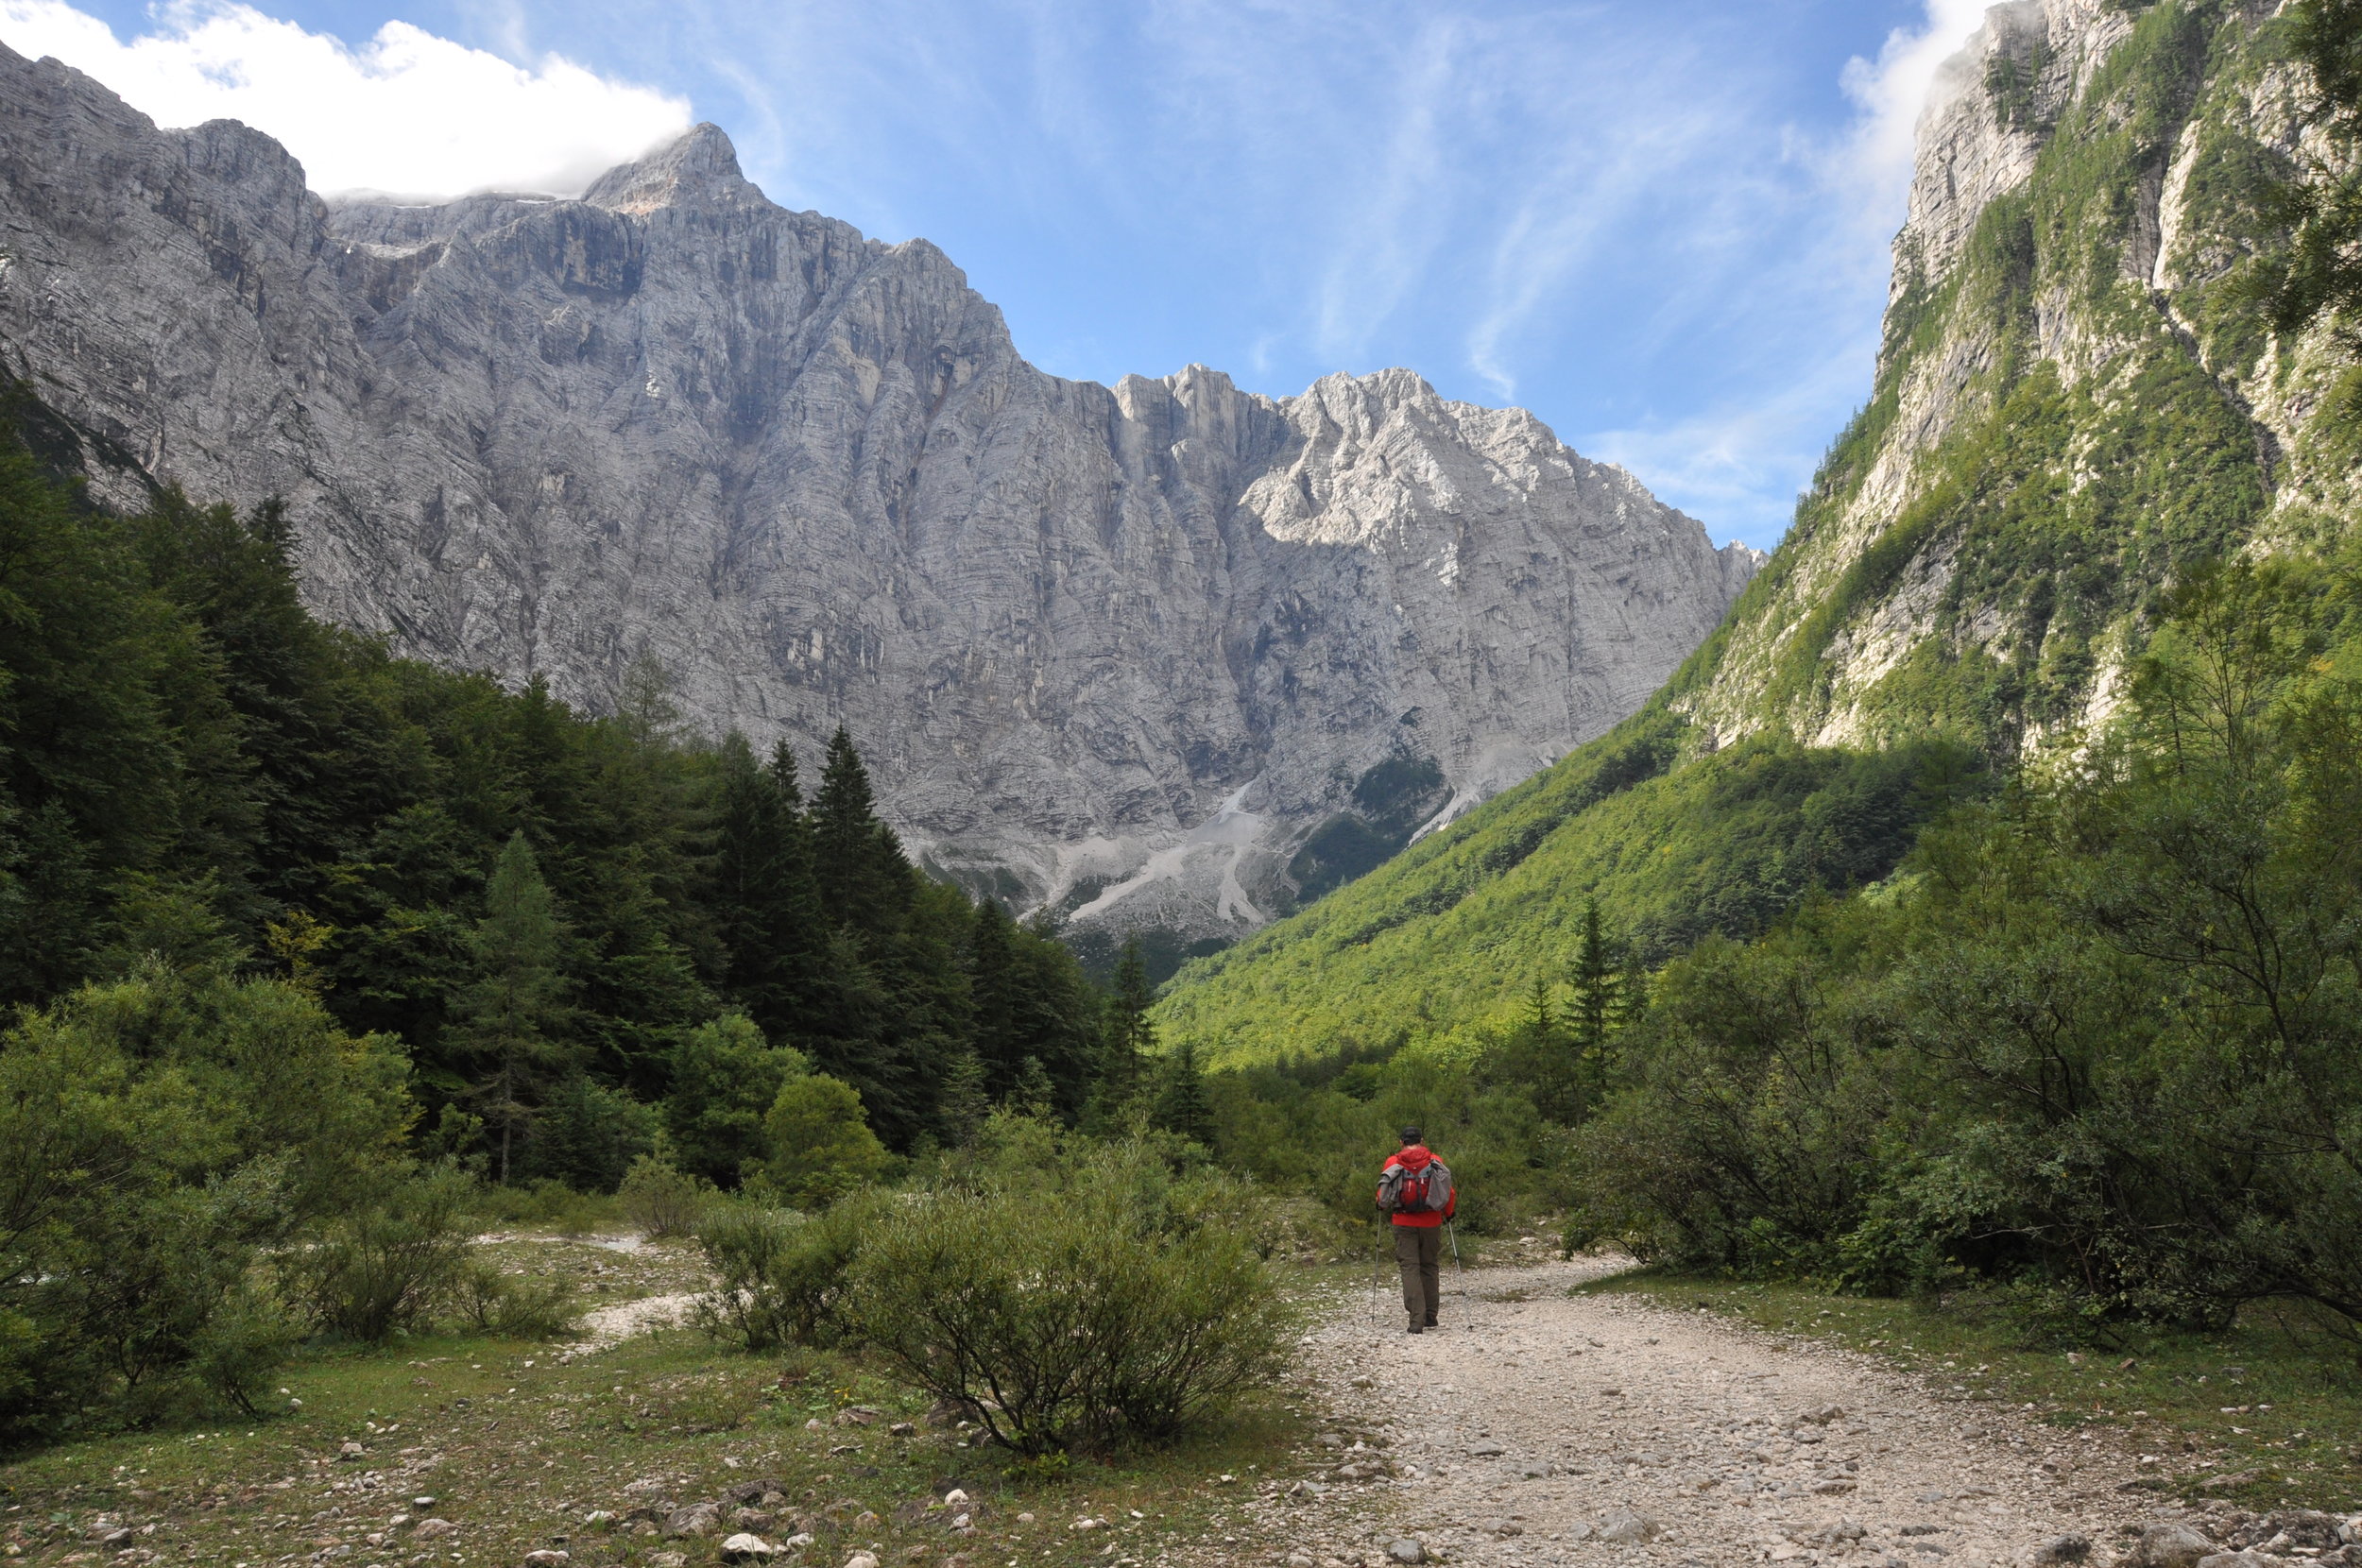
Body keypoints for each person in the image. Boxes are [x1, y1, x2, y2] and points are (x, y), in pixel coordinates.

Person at [1376, 1125, 1455, 1334]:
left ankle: (1416, 1321)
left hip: (1404, 1223)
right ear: (1422, 1140)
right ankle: (1431, 1317)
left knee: (1410, 1268)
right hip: (1432, 1222)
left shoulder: (1393, 1162)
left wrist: (1381, 1206)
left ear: (1401, 1142)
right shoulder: (1435, 1160)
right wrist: (1449, 1213)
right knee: (1429, 1266)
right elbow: (1448, 1190)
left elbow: (1383, 1194)